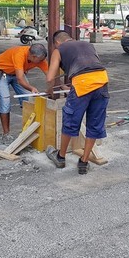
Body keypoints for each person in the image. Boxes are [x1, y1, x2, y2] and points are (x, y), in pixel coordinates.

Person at [45, 31, 109, 174]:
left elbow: (50, 78)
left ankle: (60, 158)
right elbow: (90, 68)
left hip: (82, 85)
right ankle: (84, 162)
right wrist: (71, 86)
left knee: (70, 122)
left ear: (57, 42)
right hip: (102, 82)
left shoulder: (58, 50)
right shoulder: (88, 45)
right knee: (94, 124)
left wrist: (50, 90)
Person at [0, 44, 49, 144]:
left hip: (17, 74)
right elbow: (20, 80)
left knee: (29, 99)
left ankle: (28, 130)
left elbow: (50, 75)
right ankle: (6, 134)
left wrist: (62, 86)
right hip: (3, 73)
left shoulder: (40, 59)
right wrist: (31, 88)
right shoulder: (20, 54)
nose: (41, 63)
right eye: (39, 61)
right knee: (5, 101)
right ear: (33, 57)